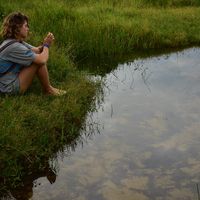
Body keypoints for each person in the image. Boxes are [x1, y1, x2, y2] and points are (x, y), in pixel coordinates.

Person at [0, 12, 66, 95]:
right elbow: (42, 60)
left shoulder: (14, 41)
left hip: (4, 83)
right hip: (8, 88)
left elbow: (37, 50)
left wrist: (45, 43)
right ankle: (48, 90)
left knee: (36, 58)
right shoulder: (15, 47)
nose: (28, 28)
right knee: (37, 61)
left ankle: (48, 89)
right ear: (17, 28)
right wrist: (46, 45)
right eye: (25, 26)